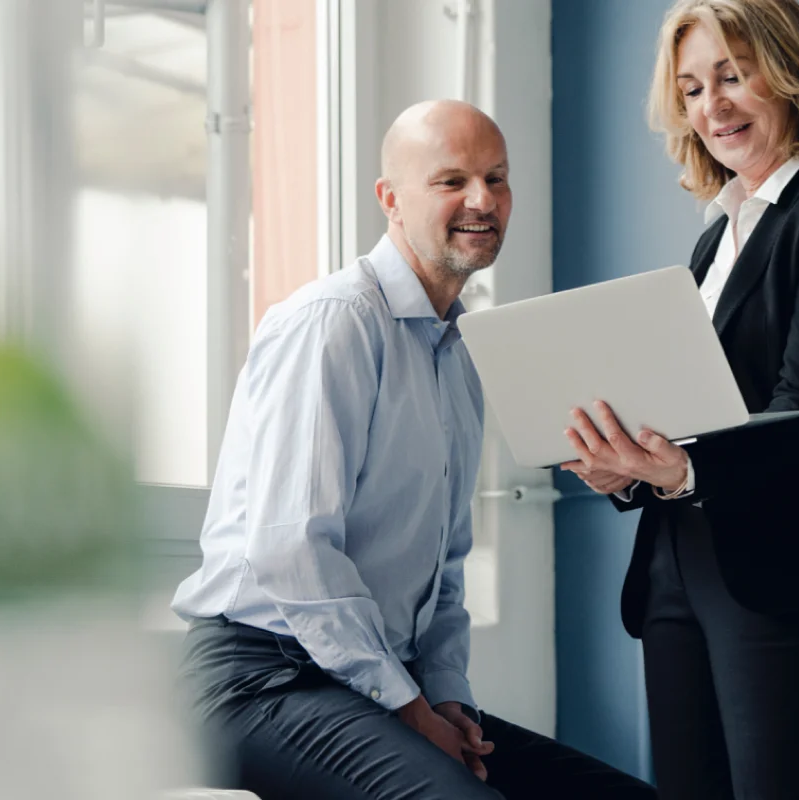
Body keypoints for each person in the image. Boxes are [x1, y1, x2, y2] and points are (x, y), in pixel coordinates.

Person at [172, 99, 656, 800]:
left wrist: (449, 699)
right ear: (390, 199)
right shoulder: (333, 322)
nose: (482, 200)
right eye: (451, 180)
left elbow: (444, 571)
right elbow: (289, 551)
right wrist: (407, 708)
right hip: (258, 680)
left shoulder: (458, 356)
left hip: (374, 679)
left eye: (497, 178)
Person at [559, 1, 799, 798]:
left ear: (788, 74)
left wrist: (680, 471)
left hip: (784, 567)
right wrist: (630, 469)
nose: (710, 106)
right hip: (677, 565)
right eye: (689, 89)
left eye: (732, 75)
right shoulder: (717, 236)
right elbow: (694, 413)